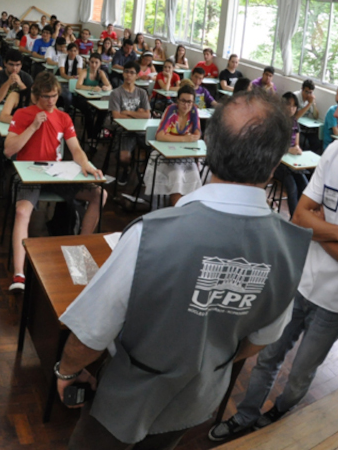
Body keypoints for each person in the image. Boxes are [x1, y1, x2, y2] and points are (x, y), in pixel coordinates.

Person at [57, 89, 310, 450]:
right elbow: (260, 339)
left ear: (207, 149)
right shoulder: (293, 249)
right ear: (274, 166)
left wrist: (66, 371)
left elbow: (89, 335)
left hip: (127, 397)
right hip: (198, 399)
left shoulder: (152, 233)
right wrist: (204, 360)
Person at [210, 72, 338, 442]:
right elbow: (299, 215)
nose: (334, 112)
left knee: (302, 370)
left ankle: (280, 414)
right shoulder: (335, 151)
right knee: (268, 356)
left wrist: (322, 230)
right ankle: (246, 415)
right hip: (302, 281)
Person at [3, 71, 106, 292]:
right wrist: (32, 127)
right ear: (35, 96)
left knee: (100, 194)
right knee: (22, 212)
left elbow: (76, 149)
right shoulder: (23, 114)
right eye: (46, 97)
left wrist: (86, 164)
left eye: (54, 96)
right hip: (28, 174)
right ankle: (19, 274)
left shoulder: (63, 117)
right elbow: (8, 150)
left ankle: (81, 247)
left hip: (55, 173)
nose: (50, 101)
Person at [143, 84, 203, 206]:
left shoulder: (193, 111)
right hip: (164, 155)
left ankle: (187, 211)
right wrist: (184, 139)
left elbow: (197, 134)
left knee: (194, 174)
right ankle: (177, 211)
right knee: (177, 174)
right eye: (183, 101)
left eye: (189, 102)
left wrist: (183, 138)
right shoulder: (171, 110)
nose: (186, 105)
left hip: (184, 155)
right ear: (177, 100)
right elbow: (159, 135)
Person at [111, 62, 151, 178]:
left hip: (141, 129)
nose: (129, 75)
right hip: (123, 130)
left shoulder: (142, 93)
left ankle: (144, 172)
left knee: (154, 151)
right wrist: (137, 114)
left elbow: (147, 116)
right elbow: (116, 116)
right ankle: (126, 169)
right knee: (124, 157)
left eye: (132, 73)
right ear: (123, 74)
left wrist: (128, 112)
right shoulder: (116, 93)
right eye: (126, 72)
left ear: (137, 76)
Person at [274, 92, 308, 217]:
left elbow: (296, 144)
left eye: (294, 106)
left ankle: (302, 217)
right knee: (292, 187)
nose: (291, 108)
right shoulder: (277, 122)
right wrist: (289, 150)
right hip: (277, 164)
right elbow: (273, 146)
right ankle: (294, 219)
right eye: (288, 105)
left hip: (292, 163)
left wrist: (297, 148)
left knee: (305, 185)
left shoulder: (295, 123)